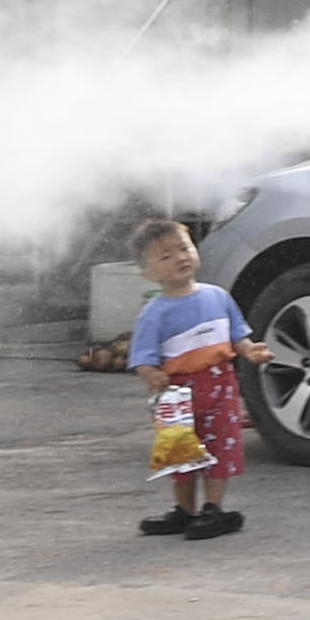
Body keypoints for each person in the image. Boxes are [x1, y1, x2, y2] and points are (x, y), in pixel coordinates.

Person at [125, 219, 269, 539]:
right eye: (165, 256)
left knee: (220, 447)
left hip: (221, 388)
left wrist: (250, 350)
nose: (179, 258)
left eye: (184, 248)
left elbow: (236, 335)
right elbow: (143, 357)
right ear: (148, 274)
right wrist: (152, 374)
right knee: (181, 452)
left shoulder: (218, 297)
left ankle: (213, 508)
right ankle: (185, 510)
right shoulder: (154, 312)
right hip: (177, 394)